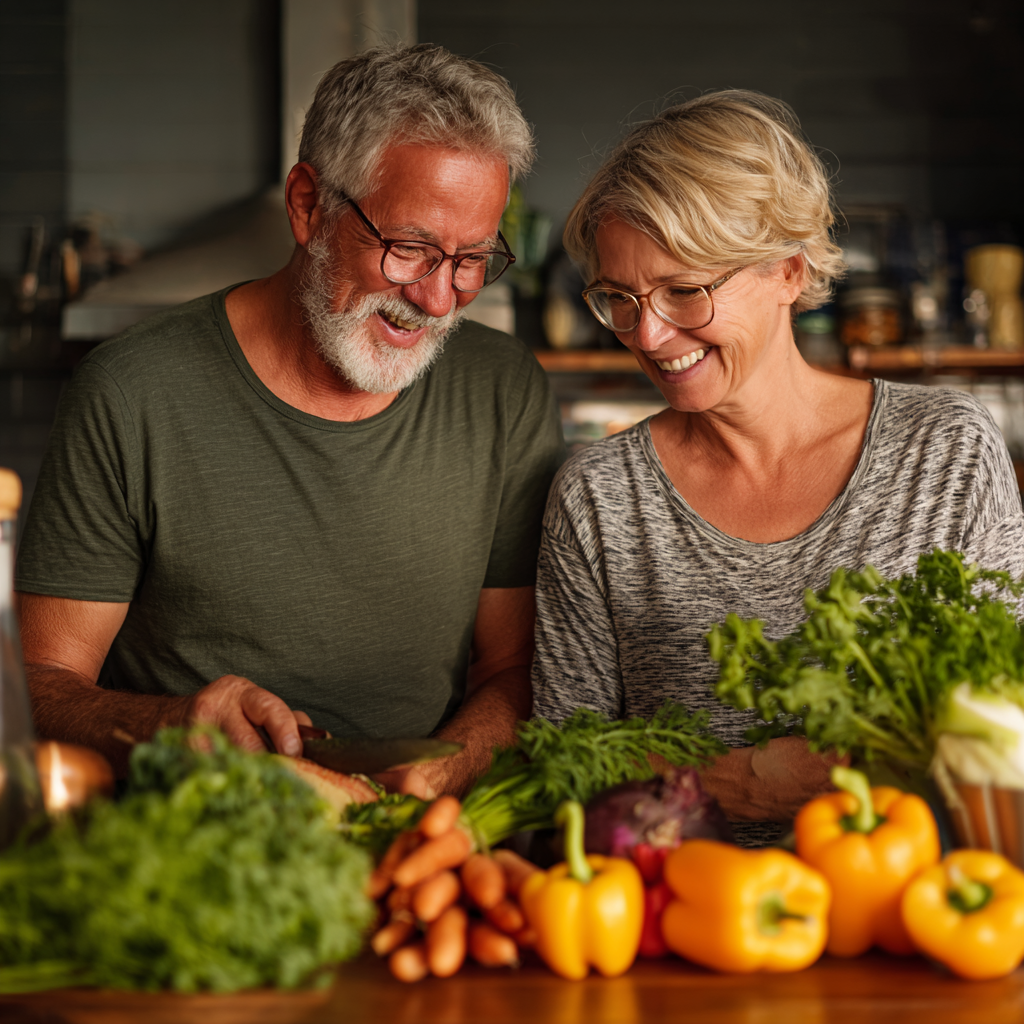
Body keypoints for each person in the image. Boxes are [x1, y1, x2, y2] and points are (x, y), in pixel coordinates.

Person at [16, 45, 564, 796]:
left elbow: (514, 671)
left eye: (471, 258)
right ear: (309, 205)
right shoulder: (132, 392)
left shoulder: (502, 394)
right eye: (409, 249)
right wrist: (172, 725)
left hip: (420, 850)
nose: (440, 300)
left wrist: (428, 784)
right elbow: (37, 684)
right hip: (192, 842)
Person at [530, 90, 1024, 844]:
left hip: (918, 923)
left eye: (685, 291)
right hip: (682, 937)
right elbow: (564, 783)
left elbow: (1008, 737)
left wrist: (830, 774)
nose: (650, 334)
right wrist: (732, 787)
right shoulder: (601, 497)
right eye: (619, 298)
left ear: (789, 270)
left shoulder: (945, 453)